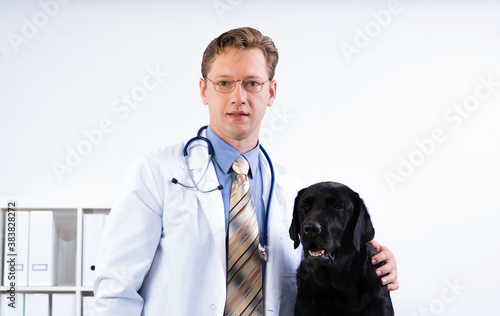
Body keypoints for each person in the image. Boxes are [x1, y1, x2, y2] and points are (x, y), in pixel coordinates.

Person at [93, 27, 398, 316]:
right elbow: (116, 291)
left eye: (252, 83)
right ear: (203, 90)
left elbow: (320, 277)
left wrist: (372, 266)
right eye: (224, 83)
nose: (238, 97)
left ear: (271, 92)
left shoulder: (293, 191)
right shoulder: (155, 174)